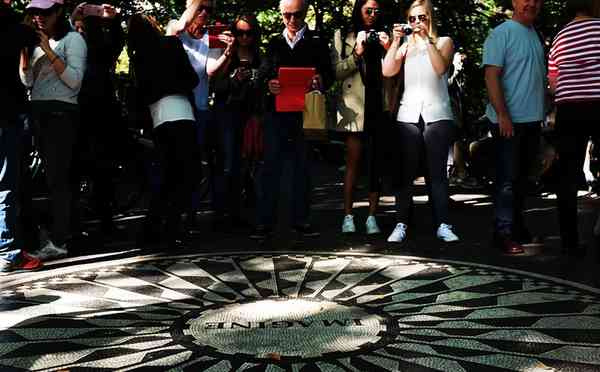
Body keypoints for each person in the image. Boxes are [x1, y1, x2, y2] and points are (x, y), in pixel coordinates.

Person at [251, 0, 334, 240]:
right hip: (277, 113)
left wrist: (320, 80)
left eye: (297, 15)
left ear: (305, 12)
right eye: (287, 15)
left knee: (303, 166)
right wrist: (270, 85)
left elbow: (328, 74)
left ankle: (301, 219)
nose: (292, 21)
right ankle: (265, 221)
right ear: (280, 15)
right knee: (271, 167)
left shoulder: (317, 41)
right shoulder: (275, 43)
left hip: (306, 113)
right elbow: (262, 77)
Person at [382, 0, 459, 244]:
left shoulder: (443, 42)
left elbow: (439, 68)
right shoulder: (405, 46)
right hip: (408, 115)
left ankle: (443, 224)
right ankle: (401, 222)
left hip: (437, 114)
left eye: (422, 17)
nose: (417, 23)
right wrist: (395, 42)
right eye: (413, 19)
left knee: (437, 174)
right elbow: (387, 71)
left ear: (430, 18)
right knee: (405, 173)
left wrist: (426, 40)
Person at [20, 0, 87, 260]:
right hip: (36, 114)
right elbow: (27, 81)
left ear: (58, 12)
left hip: (61, 115)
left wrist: (48, 49)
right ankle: (48, 234)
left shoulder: (73, 41)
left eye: (45, 12)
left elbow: (74, 81)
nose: (38, 17)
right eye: (34, 12)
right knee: (39, 180)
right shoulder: (32, 41)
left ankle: (60, 240)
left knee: (58, 179)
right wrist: (26, 55)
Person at [128, 13, 199, 249]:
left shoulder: (138, 58)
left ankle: (153, 229)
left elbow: (142, 93)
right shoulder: (171, 45)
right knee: (184, 176)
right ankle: (170, 229)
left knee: (167, 178)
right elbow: (191, 79)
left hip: (159, 118)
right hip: (182, 113)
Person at [482, 0, 545, 254]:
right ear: (514, 3)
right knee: (506, 181)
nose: (531, 3)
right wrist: (502, 115)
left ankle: (517, 229)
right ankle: (503, 233)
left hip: (532, 120)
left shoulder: (534, 35)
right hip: (508, 120)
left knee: (521, 181)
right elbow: (491, 76)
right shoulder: (501, 33)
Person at [166, 0, 234, 231]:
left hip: (200, 108)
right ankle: (176, 213)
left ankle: (192, 214)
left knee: (196, 164)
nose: (204, 12)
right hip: (177, 107)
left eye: (209, 8)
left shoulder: (212, 36)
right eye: (200, 6)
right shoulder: (177, 28)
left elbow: (211, 71)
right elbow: (175, 30)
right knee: (178, 163)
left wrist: (228, 51)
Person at [331, 0, 393, 235]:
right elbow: (336, 72)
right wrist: (356, 54)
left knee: (376, 163)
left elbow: (396, 70)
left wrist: (390, 47)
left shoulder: (386, 36)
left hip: (379, 103)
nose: (373, 15)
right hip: (354, 107)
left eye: (377, 10)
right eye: (368, 10)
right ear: (359, 10)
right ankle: (348, 215)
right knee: (353, 163)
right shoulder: (344, 36)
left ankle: (371, 216)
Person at [548, 0, 600, 257]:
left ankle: (569, 241)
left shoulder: (560, 37)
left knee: (567, 176)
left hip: (569, 109)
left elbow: (554, 83)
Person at [71, 3, 125, 240]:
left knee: (89, 170)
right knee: (101, 171)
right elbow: (116, 43)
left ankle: (86, 221)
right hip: (98, 115)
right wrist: (112, 22)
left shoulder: (81, 46)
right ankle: (103, 220)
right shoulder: (100, 51)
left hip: (87, 114)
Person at [0, 0, 43, 273]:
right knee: (6, 185)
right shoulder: (14, 28)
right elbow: (35, 36)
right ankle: (8, 251)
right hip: (5, 116)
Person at [211, 14, 263, 230]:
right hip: (226, 114)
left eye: (248, 33)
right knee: (228, 164)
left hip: (249, 114)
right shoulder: (227, 54)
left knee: (247, 164)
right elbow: (216, 86)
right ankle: (223, 213)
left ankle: (241, 211)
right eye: (239, 32)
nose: (244, 37)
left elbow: (264, 86)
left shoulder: (259, 57)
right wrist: (235, 79)